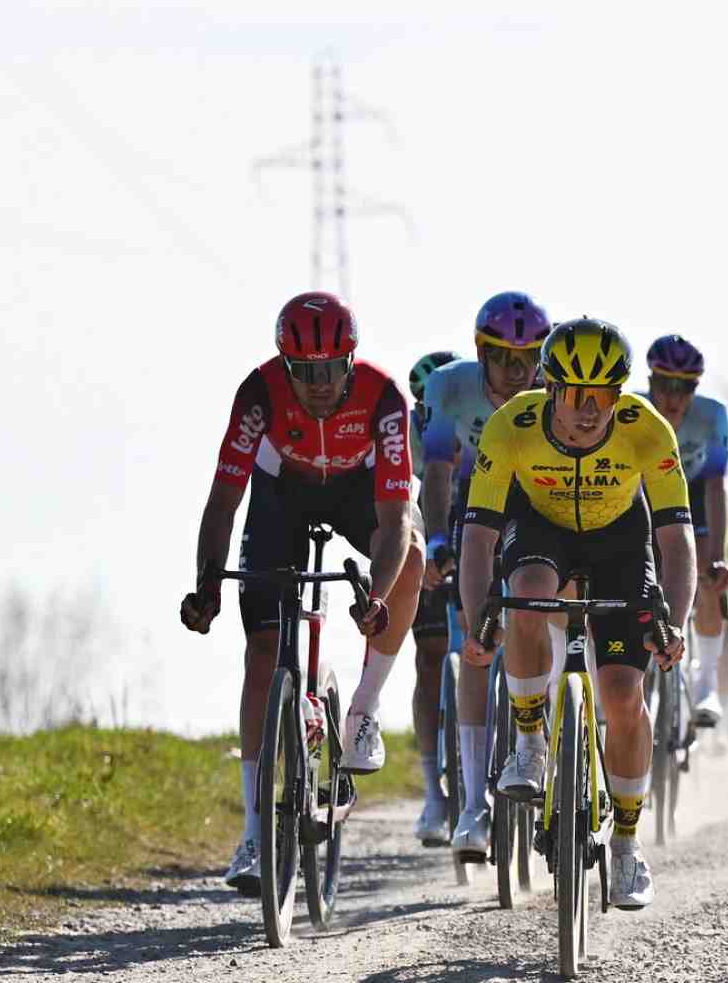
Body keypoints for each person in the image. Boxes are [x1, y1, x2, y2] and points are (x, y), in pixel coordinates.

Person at [179, 291, 426, 896]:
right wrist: (205, 583)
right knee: (262, 654)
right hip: (281, 495)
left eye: (330, 369)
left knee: (415, 555)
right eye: (305, 372)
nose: (318, 384)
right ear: (286, 367)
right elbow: (224, 499)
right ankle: (254, 833)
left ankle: (363, 709)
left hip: (356, 490)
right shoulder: (259, 394)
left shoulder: (385, 398)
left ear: (350, 361)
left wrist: (377, 597)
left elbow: (393, 522)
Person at [458, 317, 696, 910]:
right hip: (542, 527)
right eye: (575, 395)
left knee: (622, 695)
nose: (590, 411)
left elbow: (676, 541)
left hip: (620, 540)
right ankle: (532, 741)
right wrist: (475, 619)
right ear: (549, 387)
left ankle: (625, 844)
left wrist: (678, 621)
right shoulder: (509, 426)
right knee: (528, 591)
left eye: (604, 396)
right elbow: (479, 537)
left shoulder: (648, 431)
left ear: (621, 393)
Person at [418, 292, 551, 860]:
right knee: (476, 639)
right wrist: (437, 542)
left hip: (538, 499)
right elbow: (438, 473)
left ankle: (557, 735)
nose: (516, 372)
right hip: (472, 497)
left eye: (528, 359)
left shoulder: (553, 392)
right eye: (502, 358)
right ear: (481, 353)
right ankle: (473, 805)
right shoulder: (449, 387)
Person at [639, 335, 728, 728]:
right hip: (642, 496)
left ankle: (706, 684)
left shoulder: (712, 416)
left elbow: (715, 486)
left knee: (708, 578)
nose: (674, 397)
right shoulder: (635, 411)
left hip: (692, 495)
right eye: (665, 384)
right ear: (650, 381)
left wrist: (714, 558)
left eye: (686, 387)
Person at [405, 349, 458, 845]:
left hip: (482, 536)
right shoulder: (406, 431)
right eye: (422, 402)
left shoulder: (478, 417)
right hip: (432, 543)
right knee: (429, 658)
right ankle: (432, 793)